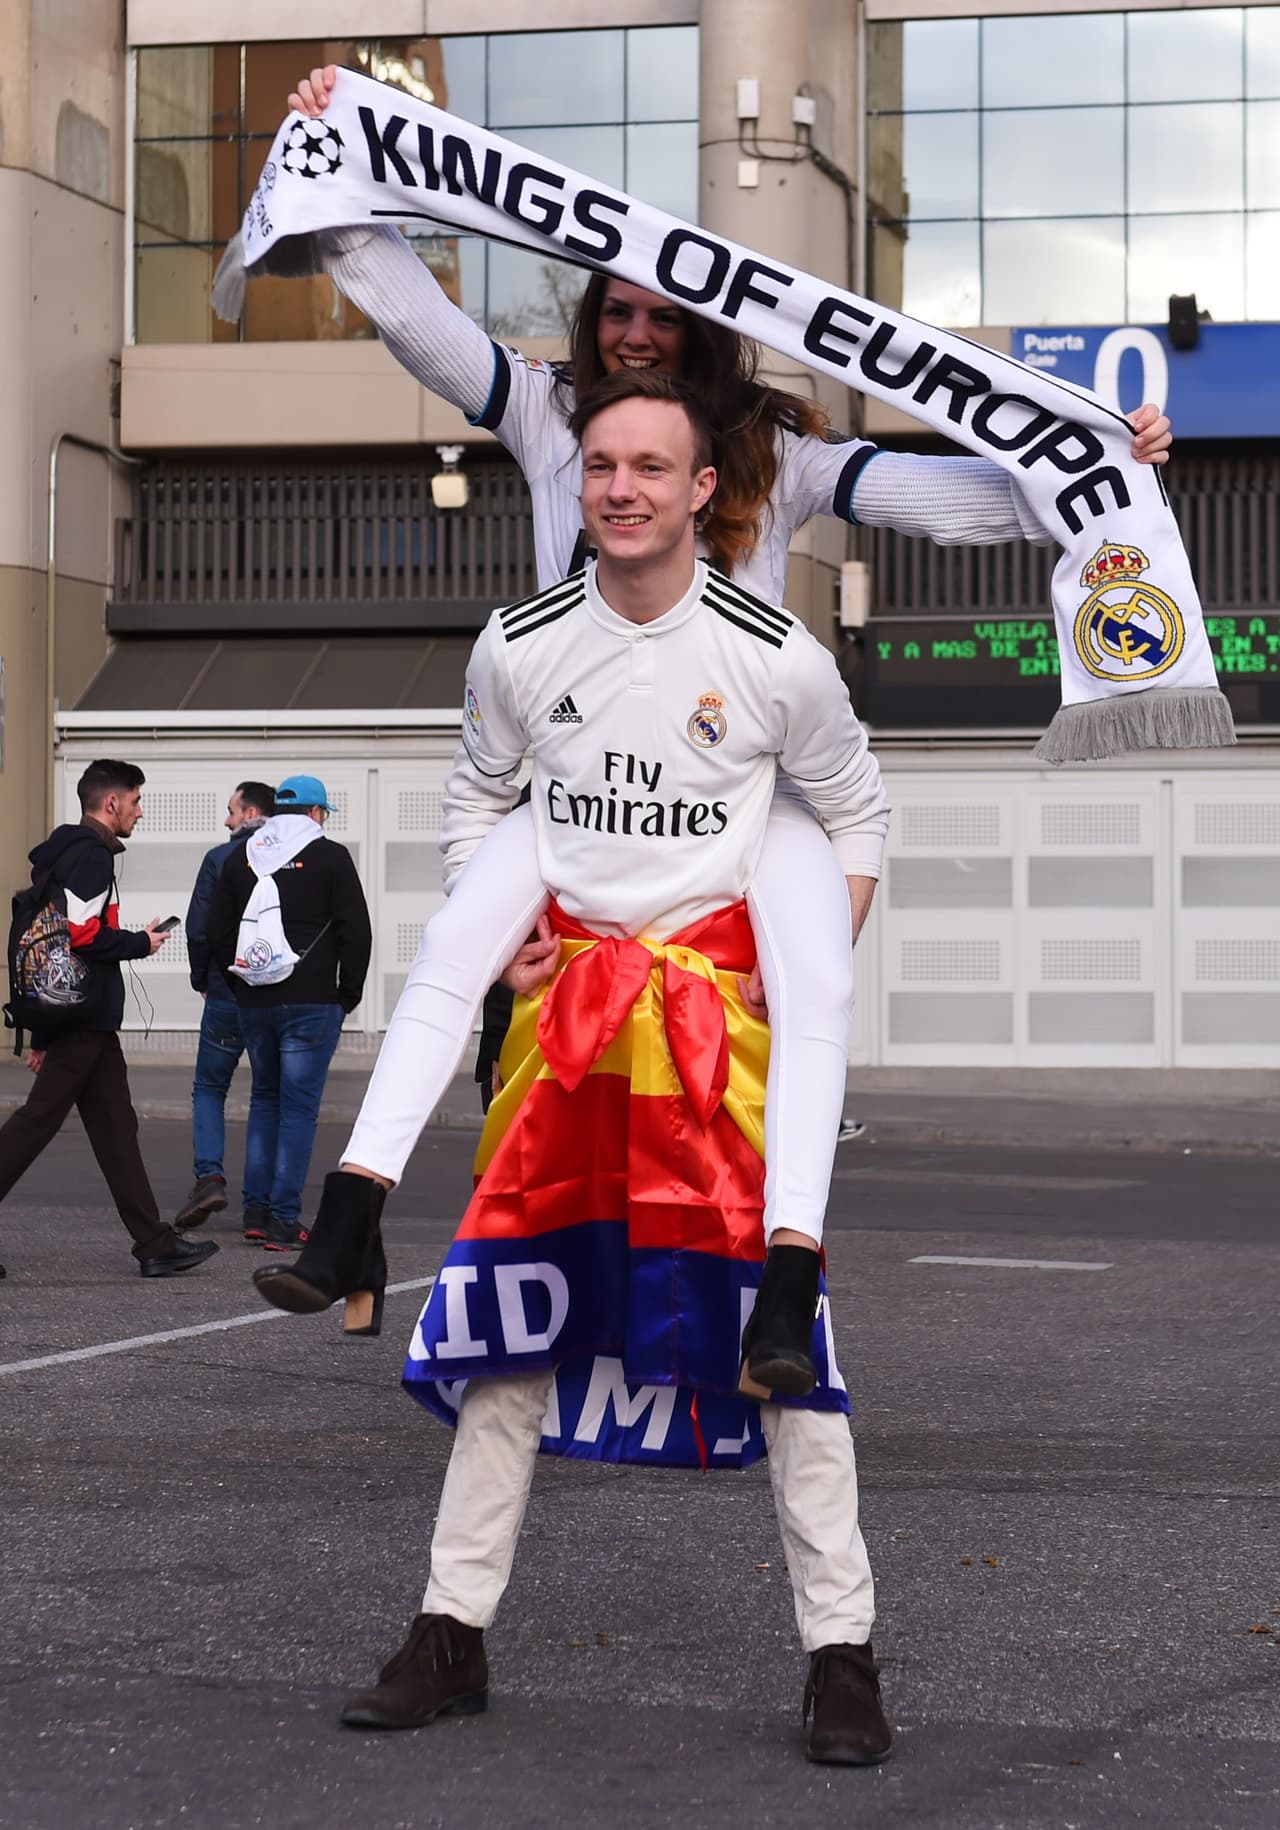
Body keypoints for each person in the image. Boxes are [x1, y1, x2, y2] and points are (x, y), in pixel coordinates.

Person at [258, 68, 1174, 1289]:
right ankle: (400, 1254)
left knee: (717, 1158)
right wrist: (333, 159)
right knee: (535, 1147)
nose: (635, 335)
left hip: (725, 831)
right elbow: (416, 321)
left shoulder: (776, 451)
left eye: (663, 315)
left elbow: (941, 505)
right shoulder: (546, 416)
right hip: (582, 814)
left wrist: (1084, 469)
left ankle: (768, 1306)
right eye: (616, 312)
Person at [269, 370, 897, 1761]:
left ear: (700, 491)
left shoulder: (777, 656)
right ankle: (449, 1629)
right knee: (512, 1325)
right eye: (602, 464)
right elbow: (478, 795)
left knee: (788, 1358)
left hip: (711, 1048)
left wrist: (804, 948)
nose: (621, 488)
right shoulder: (520, 643)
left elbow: (855, 814)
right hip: (573, 1035)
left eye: (650, 467)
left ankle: (842, 1655)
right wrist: (504, 940)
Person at [0, 760, 220, 1279]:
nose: (140, 812)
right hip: (84, 1018)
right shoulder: (92, 856)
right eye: (136, 801)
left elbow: (56, 938)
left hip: (86, 1020)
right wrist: (141, 943)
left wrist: (43, 1032)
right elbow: (80, 934)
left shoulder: (68, 853)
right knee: (36, 1122)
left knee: (116, 1127)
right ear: (112, 802)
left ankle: (155, 1243)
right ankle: (155, 1242)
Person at [207, 775, 372, 1252]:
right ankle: (283, 1218)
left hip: (256, 1000)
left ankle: (256, 1213)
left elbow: (217, 931)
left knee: (265, 1100)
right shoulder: (331, 857)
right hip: (313, 1001)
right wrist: (347, 996)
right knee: (298, 1109)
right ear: (317, 813)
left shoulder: (243, 856)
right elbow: (356, 931)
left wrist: (241, 983)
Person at [174, 779, 276, 1233]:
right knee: (267, 1096)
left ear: (251, 813)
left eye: (231, 811)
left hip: (224, 991)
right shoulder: (288, 857)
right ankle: (259, 1209)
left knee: (210, 1088)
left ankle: (209, 1178)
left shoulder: (219, 859)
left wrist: (203, 978)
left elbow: (199, 928)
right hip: (272, 994)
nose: (226, 819)